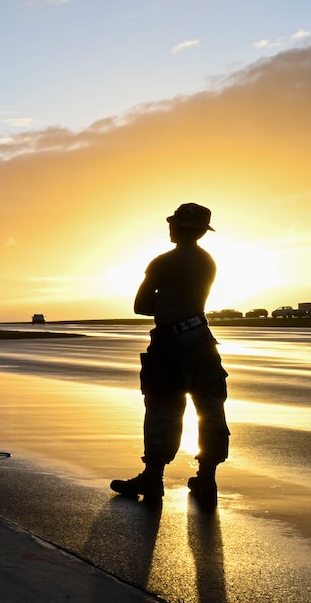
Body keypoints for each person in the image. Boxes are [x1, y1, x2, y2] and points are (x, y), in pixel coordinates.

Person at [111, 203, 229, 505]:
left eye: (173, 223)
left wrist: (163, 305)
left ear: (180, 228)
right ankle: (207, 480)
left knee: (163, 406)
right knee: (210, 407)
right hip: (202, 338)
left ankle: (152, 477)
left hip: (170, 341)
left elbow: (140, 305)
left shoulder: (163, 262)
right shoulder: (207, 261)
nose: (170, 227)